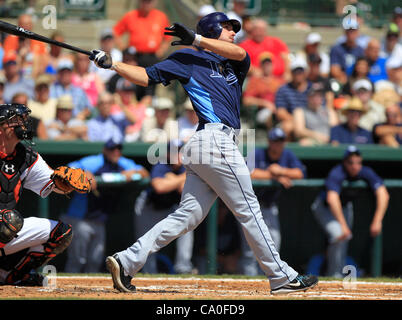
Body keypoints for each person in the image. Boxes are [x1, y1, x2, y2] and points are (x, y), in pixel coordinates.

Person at [90, 11, 318, 294]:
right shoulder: (186, 59)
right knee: (249, 208)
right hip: (211, 139)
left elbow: (238, 51)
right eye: (226, 27)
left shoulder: (234, 61)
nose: (234, 31)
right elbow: (146, 77)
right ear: (212, 29)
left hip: (214, 144)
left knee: (187, 216)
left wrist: (197, 39)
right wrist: (113, 64)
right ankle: (281, 276)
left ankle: (126, 261)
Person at [0, 103, 74, 286]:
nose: (22, 125)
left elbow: (52, 184)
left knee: (61, 233)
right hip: (6, 223)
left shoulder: (26, 155)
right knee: (10, 220)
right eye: (15, 121)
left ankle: (10, 275)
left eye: (23, 120)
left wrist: (66, 184)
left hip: (6, 227)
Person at [63, 138, 148, 273]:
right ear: (105, 150)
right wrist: (84, 173)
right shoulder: (95, 161)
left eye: (118, 149)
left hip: (100, 219)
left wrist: (134, 173)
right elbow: (68, 168)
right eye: (112, 149)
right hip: (80, 218)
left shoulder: (122, 163)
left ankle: (89, 292)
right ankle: (65, 291)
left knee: (95, 260)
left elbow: (144, 172)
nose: (115, 152)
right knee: (78, 259)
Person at [311, 145, 389, 277]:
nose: (355, 166)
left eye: (358, 162)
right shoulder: (337, 172)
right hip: (324, 207)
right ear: (345, 162)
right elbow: (332, 199)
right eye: (351, 162)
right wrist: (343, 225)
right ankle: (334, 274)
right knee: (339, 234)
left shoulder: (365, 171)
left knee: (343, 241)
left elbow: (383, 194)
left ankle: (336, 274)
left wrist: (377, 221)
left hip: (345, 207)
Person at [240, 127, 306, 275]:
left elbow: (300, 173)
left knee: (273, 244)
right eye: (275, 141)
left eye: (281, 141)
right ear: (269, 142)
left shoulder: (287, 155)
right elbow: (247, 172)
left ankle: (267, 278)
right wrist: (273, 176)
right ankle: (248, 280)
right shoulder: (258, 153)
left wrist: (281, 171)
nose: (278, 145)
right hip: (250, 207)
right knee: (249, 248)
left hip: (270, 207)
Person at [134, 140, 195, 274]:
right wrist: (182, 178)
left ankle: (183, 268)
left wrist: (172, 179)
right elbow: (159, 187)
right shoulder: (161, 164)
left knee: (187, 226)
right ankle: (148, 272)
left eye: (180, 151)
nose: (178, 154)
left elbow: (182, 189)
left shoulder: (185, 167)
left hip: (168, 208)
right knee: (147, 239)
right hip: (149, 208)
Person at [242, 52, 283, 128]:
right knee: (270, 115)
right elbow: (247, 100)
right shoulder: (255, 81)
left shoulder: (279, 81)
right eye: (265, 64)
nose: (267, 67)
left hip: (279, 110)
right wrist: (265, 103)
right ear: (261, 66)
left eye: (269, 64)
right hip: (263, 111)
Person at [274, 57, 311, 139]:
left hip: (311, 121)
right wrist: (298, 122)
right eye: (295, 71)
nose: (298, 74)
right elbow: (281, 112)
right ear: (291, 73)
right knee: (286, 127)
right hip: (292, 121)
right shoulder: (283, 89)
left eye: (301, 71)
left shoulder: (313, 89)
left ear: (306, 72)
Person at [329, 20, 365, 85]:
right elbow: (334, 70)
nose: (351, 33)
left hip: (356, 81)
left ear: (357, 32)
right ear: (345, 32)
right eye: (349, 30)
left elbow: (363, 70)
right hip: (341, 81)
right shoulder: (336, 49)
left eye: (353, 30)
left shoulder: (361, 50)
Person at [112, 77, 147, 142]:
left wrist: (121, 105)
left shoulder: (140, 107)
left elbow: (137, 122)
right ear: (118, 91)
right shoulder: (113, 107)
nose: (128, 94)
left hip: (137, 140)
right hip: (118, 139)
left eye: (130, 91)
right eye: (125, 91)